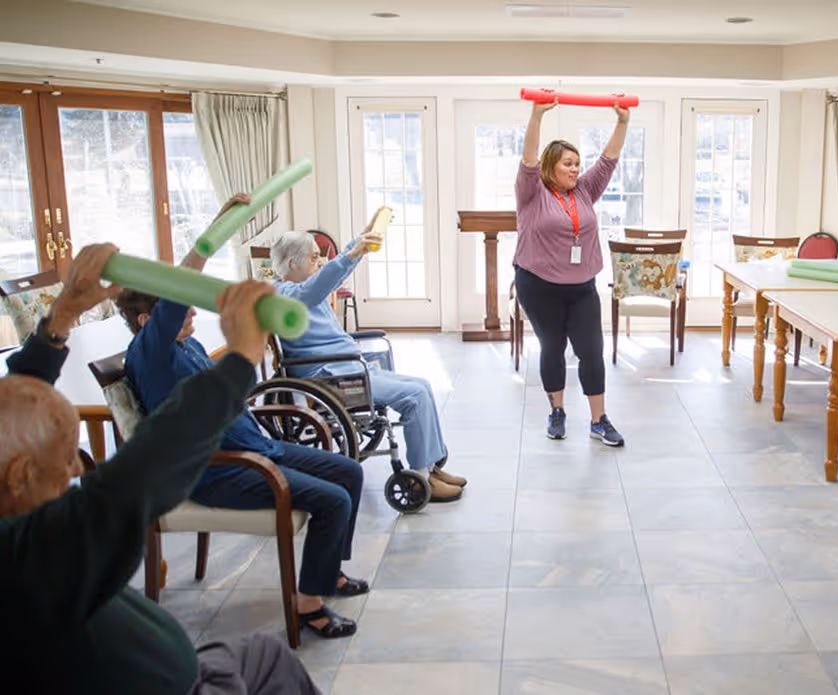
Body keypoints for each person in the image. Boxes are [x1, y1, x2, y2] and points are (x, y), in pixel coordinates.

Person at [0, 243, 321, 694]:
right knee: (270, 669)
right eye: (64, 458)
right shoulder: (30, 551)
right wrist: (239, 361)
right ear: (18, 477)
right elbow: (141, 470)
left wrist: (63, 314)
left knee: (266, 657)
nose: (76, 466)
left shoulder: (19, 525)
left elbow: (14, 400)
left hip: (185, 667)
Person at [116, 195, 367, 640]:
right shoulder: (151, 353)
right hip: (219, 469)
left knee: (348, 472)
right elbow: (180, 286)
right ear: (144, 319)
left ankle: (327, 574)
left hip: (255, 448)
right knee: (334, 500)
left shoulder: (183, 344)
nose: (191, 309)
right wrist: (217, 227)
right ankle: (308, 605)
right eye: (179, 306)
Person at [269, 223, 465, 503]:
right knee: (415, 395)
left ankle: (432, 467)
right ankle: (421, 478)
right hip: (332, 378)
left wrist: (359, 244)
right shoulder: (285, 295)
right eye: (314, 257)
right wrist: (351, 254)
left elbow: (331, 277)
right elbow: (322, 283)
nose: (320, 261)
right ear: (292, 263)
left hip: (345, 368)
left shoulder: (303, 288)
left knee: (422, 384)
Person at [513, 97, 629, 446]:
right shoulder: (532, 192)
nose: (575, 169)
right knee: (553, 345)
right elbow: (529, 159)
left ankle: (599, 420)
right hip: (538, 284)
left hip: (581, 286)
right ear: (551, 167)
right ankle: (557, 412)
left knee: (591, 350)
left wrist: (622, 122)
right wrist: (536, 116)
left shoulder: (585, 190)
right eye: (568, 163)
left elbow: (608, 161)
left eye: (577, 163)